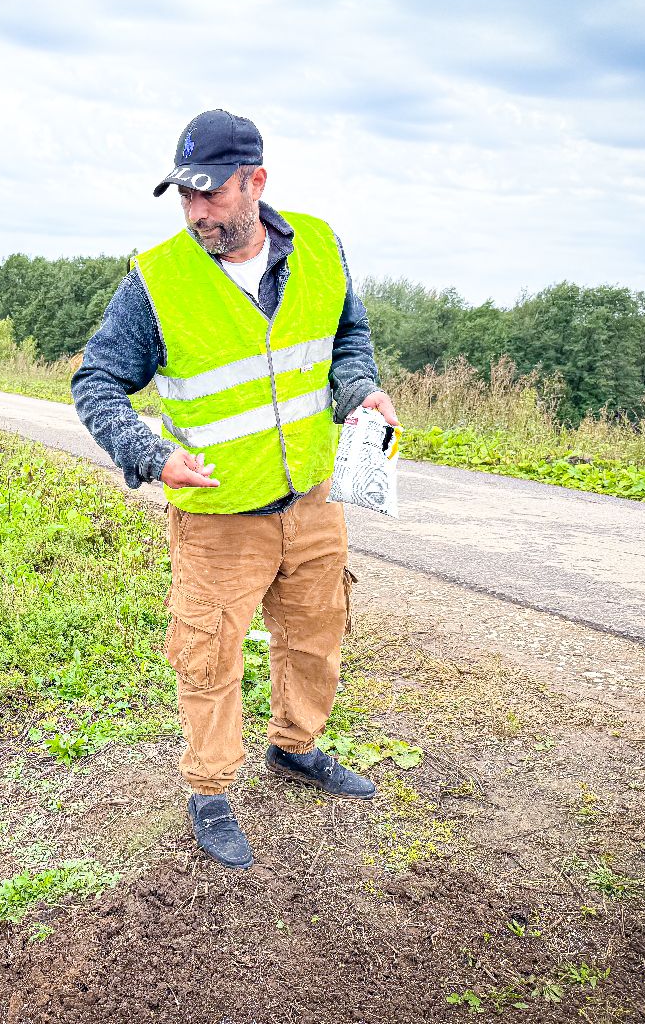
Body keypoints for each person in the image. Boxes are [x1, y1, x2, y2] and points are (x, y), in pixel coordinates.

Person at [72, 109, 400, 870]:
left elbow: (347, 340)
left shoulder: (321, 245)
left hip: (313, 501)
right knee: (209, 655)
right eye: (183, 198)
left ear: (256, 182)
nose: (196, 214)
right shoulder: (158, 278)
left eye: (210, 195)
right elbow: (97, 382)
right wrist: (150, 456)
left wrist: (359, 393)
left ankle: (296, 749)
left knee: (316, 635)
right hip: (219, 515)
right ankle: (211, 790)